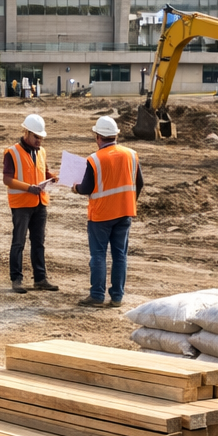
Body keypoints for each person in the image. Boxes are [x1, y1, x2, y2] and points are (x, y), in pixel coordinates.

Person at [71, 115, 143, 307]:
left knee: (99, 255)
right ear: (115, 135)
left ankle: (97, 295)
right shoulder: (131, 154)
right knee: (120, 255)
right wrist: (128, 202)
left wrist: (75, 188)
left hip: (101, 215)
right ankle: (117, 297)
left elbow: (86, 188)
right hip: (125, 212)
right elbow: (140, 183)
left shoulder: (94, 159)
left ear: (98, 137)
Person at [2, 114, 59, 293]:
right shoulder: (12, 152)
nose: (39, 141)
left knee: (38, 242)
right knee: (18, 242)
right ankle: (16, 279)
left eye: (41, 138)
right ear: (26, 132)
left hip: (40, 203)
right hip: (21, 204)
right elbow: (7, 179)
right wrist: (28, 188)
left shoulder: (41, 151)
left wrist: (55, 177)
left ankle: (40, 279)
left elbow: (45, 171)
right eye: (36, 137)